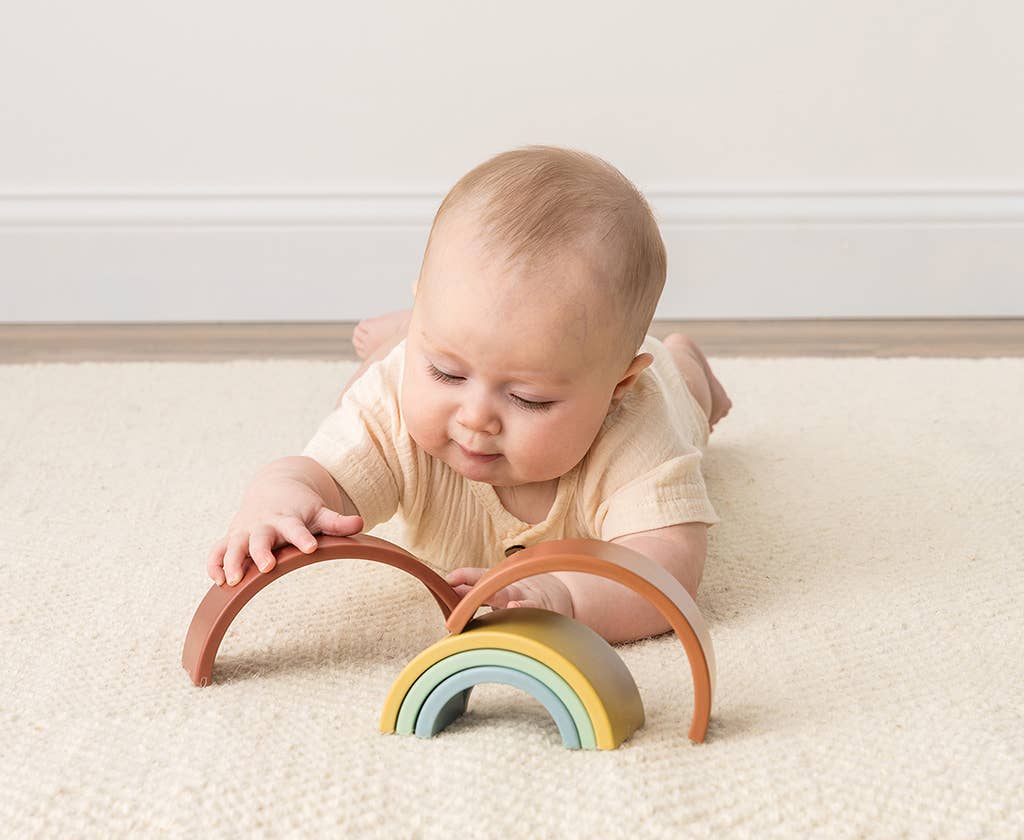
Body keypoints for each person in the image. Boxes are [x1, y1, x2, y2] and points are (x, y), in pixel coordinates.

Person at [207, 145, 732, 645]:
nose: (477, 419)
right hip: (414, 355)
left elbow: (666, 570)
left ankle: (689, 362)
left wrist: (567, 595)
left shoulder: (637, 429)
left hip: (665, 383)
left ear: (616, 389)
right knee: (361, 392)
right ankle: (405, 338)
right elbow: (311, 474)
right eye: (447, 374)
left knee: (688, 398)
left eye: (528, 399)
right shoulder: (392, 405)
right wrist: (275, 502)